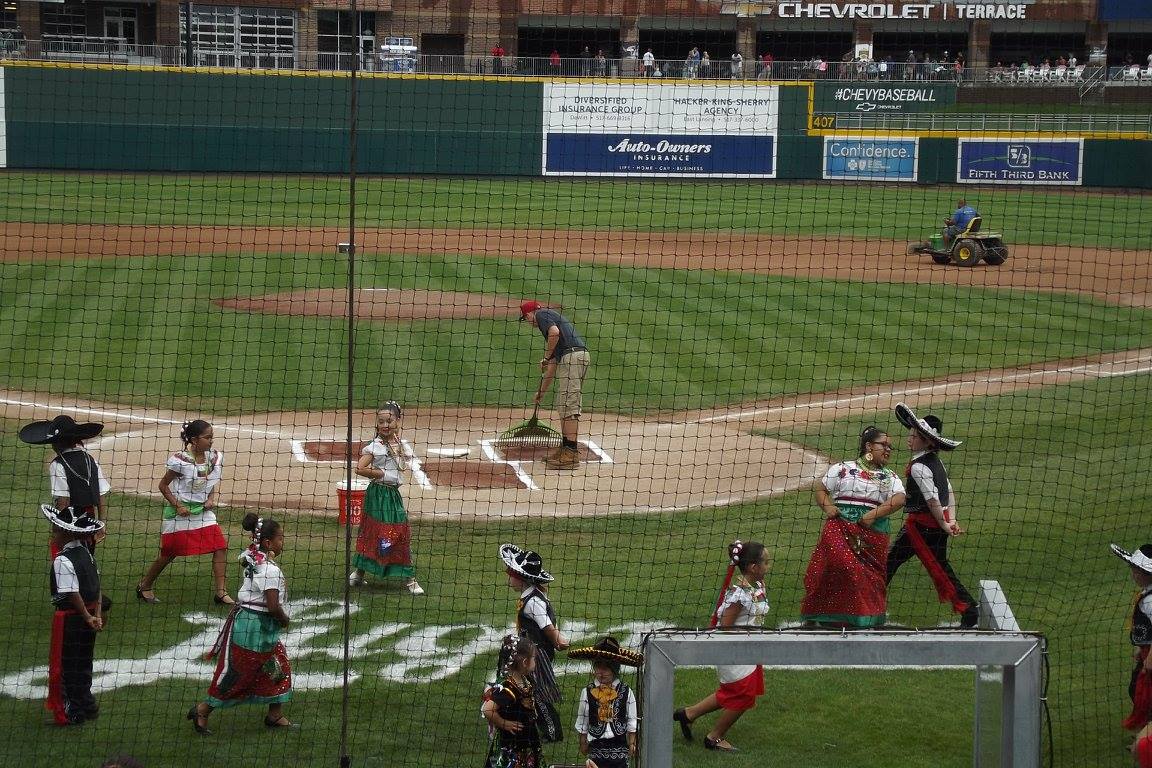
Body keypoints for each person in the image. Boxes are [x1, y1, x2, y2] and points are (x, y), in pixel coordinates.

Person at [190, 514, 294, 735]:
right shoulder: (269, 570)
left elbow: (248, 555)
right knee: (240, 673)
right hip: (255, 628)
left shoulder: (251, 556)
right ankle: (203, 709)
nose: (282, 542)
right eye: (280, 538)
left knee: (278, 666)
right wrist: (285, 620)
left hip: (249, 623)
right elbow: (273, 607)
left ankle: (274, 714)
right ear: (267, 543)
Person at [801, 426, 906, 628]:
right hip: (840, 527)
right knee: (834, 567)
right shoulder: (843, 468)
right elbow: (821, 490)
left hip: (872, 532)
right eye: (883, 445)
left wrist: (871, 515)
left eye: (890, 447)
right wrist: (829, 507)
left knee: (871, 577)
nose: (888, 449)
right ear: (868, 446)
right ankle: (823, 615)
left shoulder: (890, 477)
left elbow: (900, 498)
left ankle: (862, 618)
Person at [885, 403, 979, 629]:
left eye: (915, 435)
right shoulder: (935, 461)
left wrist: (946, 525)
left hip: (923, 528)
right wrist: (951, 520)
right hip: (928, 525)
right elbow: (949, 492)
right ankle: (870, 603)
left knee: (904, 563)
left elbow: (933, 499)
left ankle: (970, 610)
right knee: (893, 562)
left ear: (927, 441)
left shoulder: (918, 466)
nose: (909, 438)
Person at [673, 540, 770, 752]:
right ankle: (714, 737)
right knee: (743, 695)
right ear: (753, 567)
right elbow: (725, 626)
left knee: (733, 691)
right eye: (766, 562)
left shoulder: (756, 585)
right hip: (733, 651)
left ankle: (688, 714)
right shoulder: (740, 594)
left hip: (748, 649)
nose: (768, 566)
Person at [135, 420, 231, 605]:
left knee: (220, 547)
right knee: (169, 553)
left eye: (212, 437)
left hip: (202, 513)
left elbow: (210, 482)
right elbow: (163, 486)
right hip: (180, 514)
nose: (211, 441)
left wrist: (210, 499)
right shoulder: (180, 461)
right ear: (194, 440)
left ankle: (221, 592)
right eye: (207, 437)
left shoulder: (213, 458)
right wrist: (178, 505)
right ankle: (145, 586)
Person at [348, 401, 424, 594]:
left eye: (389, 421)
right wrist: (381, 474)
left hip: (391, 495)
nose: (385, 425)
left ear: (398, 421)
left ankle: (358, 574)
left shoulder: (396, 440)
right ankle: (410, 579)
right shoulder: (376, 446)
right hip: (379, 495)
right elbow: (360, 468)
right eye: (381, 421)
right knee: (393, 532)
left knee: (380, 532)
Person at [43, 504, 107, 725]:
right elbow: (97, 587)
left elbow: (72, 593)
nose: (53, 534)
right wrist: (95, 615)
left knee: (67, 664)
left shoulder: (63, 559)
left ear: (66, 533)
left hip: (71, 619)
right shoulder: (86, 553)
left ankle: (73, 712)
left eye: (56, 530)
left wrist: (87, 616)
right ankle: (87, 704)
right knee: (84, 662)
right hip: (89, 617)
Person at [501, 543, 568, 742]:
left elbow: (546, 626)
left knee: (537, 693)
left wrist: (557, 640)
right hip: (531, 652)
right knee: (529, 690)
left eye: (510, 573)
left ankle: (552, 731)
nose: (508, 576)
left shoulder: (533, 602)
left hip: (537, 655)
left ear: (520, 578)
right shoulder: (531, 596)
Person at [20, 415, 110, 557]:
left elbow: (63, 501)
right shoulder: (91, 460)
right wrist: (101, 523)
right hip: (89, 522)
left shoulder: (58, 464)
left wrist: (58, 529)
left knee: (63, 563)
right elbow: (101, 494)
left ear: (58, 443)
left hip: (69, 522)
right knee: (85, 561)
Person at [519, 300, 590, 470]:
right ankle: (566, 448)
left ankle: (571, 453)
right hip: (572, 358)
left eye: (526, 318)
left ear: (529, 314)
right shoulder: (550, 320)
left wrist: (546, 356)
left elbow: (554, 333)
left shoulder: (542, 314)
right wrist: (540, 393)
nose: (529, 323)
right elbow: (551, 368)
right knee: (564, 405)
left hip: (572, 358)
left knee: (569, 405)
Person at [570, 636, 643, 768]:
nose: (601, 672)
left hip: (620, 750)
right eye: (598, 666)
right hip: (596, 751)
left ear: (615, 668)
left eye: (606, 667)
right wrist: (582, 741)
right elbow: (582, 720)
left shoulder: (626, 692)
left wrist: (632, 741)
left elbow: (632, 720)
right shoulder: (587, 692)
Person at [482, 635, 543, 768]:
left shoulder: (525, 680)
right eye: (534, 658)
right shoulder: (508, 688)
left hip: (527, 740)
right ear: (525, 662)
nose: (535, 661)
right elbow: (487, 709)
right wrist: (504, 723)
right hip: (512, 745)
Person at [1112, 543, 1152, 733]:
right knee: (1137, 689)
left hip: (1151, 655)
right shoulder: (1147, 594)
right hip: (1146, 652)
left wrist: (1149, 659)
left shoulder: (1151, 600)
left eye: (1137, 570)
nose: (1133, 573)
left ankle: (1147, 738)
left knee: (1144, 694)